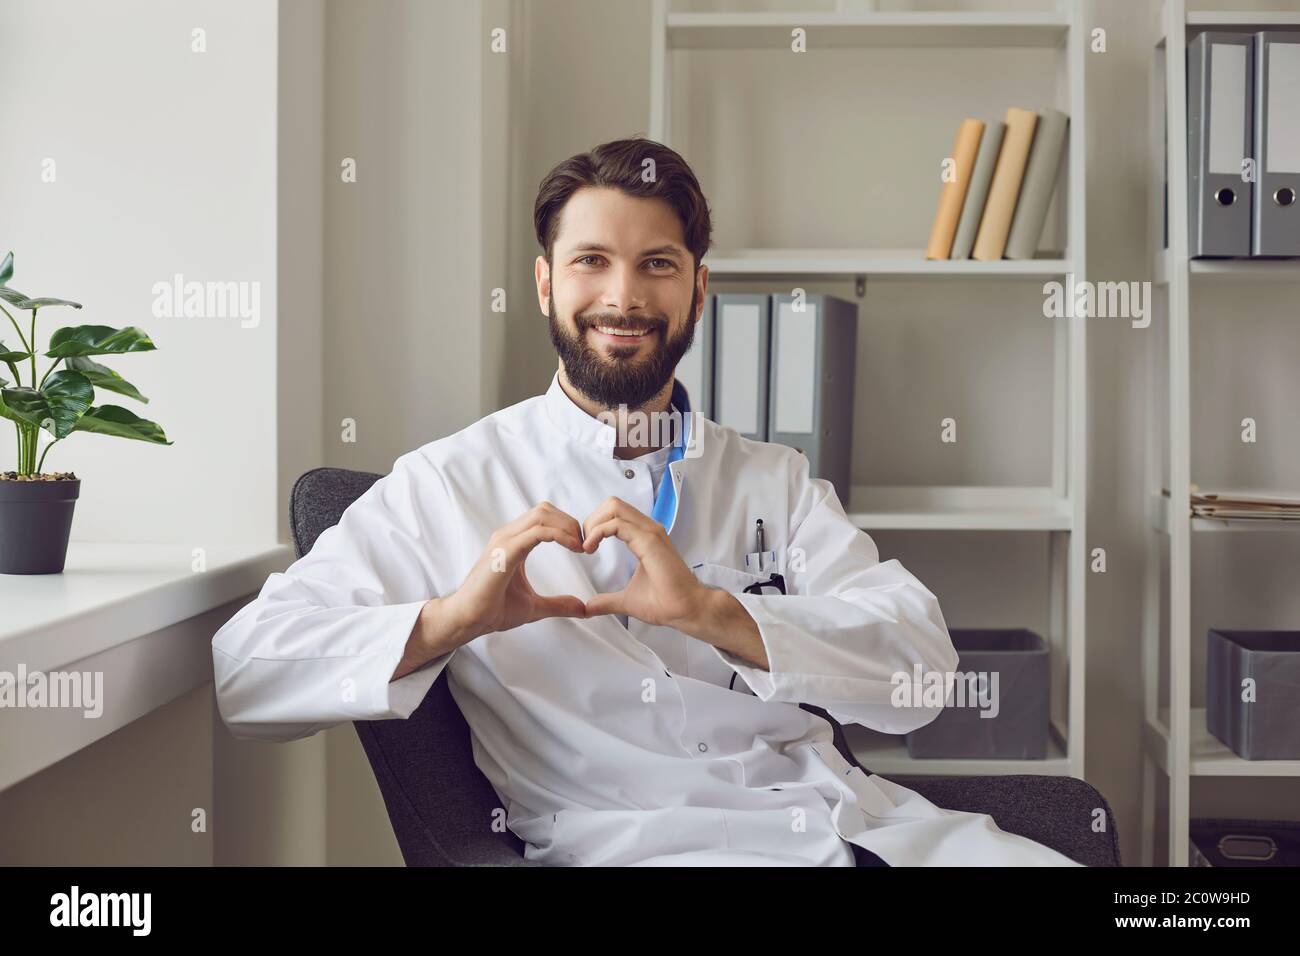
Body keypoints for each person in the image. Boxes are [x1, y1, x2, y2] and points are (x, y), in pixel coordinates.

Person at [211, 138, 1082, 867]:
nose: (623, 298)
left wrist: (717, 615)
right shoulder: (449, 485)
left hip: (859, 825)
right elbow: (247, 675)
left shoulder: (772, 478)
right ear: (548, 284)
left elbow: (922, 675)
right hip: (640, 848)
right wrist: (453, 620)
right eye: (592, 261)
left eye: (656, 265)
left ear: (698, 288)